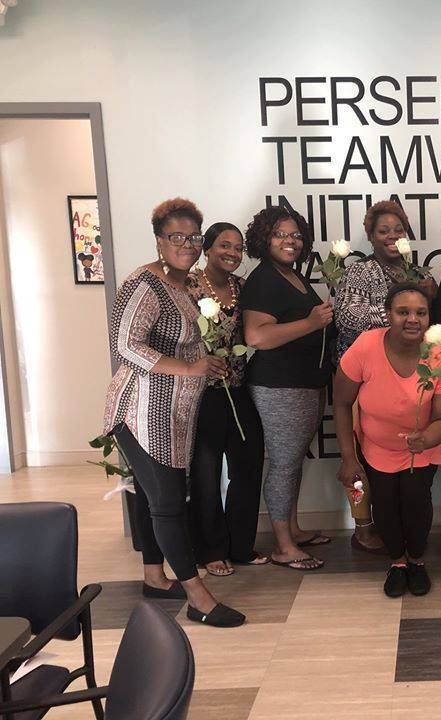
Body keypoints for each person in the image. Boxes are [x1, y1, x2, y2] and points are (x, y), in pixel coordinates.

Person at [103, 197, 244, 627]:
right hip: (142, 411)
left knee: (151, 496)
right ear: (159, 240)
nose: (186, 243)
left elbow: (191, 340)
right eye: (176, 236)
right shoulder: (144, 284)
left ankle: (154, 576)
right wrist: (189, 367)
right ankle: (197, 597)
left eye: (192, 237)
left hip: (175, 412)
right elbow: (126, 344)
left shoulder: (185, 285)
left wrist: (208, 359)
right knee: (167, 503)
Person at [333, 284, 441, 597]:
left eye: (420, 312)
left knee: (416, 500)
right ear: (388, 314)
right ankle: (397, 562)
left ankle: (416, 561)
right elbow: (340, 402)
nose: (412, 319)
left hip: (423, 448)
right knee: (386, 505)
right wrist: (349, 458)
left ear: (429, 317)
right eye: (403, 312)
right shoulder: (366, 346)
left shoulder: (440, 355)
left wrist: (427, 437)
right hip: (377, 448)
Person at [334, 200, 438, 553]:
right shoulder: (361, 272)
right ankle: (364, 527)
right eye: (383, 231)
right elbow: (347, 317)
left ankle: (397, 530)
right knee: (359, 459)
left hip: (406, 376)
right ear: (371, 236)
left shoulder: (418, 272)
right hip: (362, 377)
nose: (392, 236)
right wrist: (398, 316)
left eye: (398, 229)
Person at [242, 206, 333, 571]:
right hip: (279, 386)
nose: (289, 240)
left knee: (292, 462)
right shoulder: (264, 278)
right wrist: (312, 322)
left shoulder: (290, 275)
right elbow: (256, 336)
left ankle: (292, 528)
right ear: (265, 238)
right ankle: (283, 546)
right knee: (283, 465)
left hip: (303, 383)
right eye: (280, 234)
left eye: (295, 235)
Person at [185, 222, 267, 576]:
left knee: (248, 468)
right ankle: (211, 550)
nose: (232, 253)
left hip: (238, 390)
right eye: (224, 245)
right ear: (207, 247)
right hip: (202, 395)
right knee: (205, 475)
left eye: (238, 248)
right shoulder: (187, 286)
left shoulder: (243, 288)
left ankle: (241, 546)